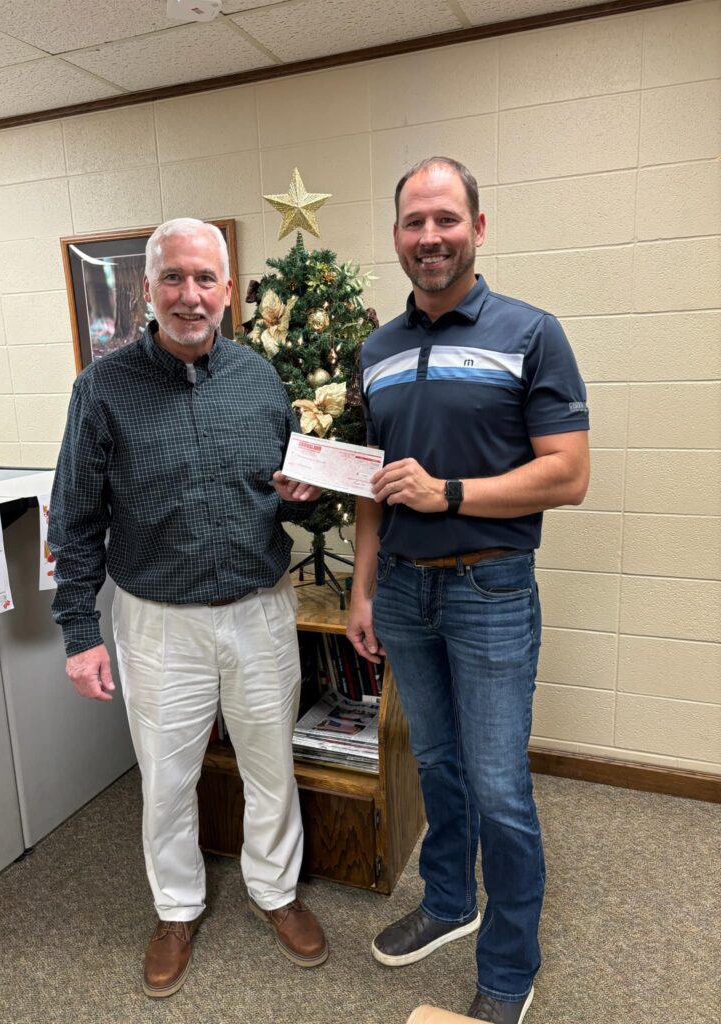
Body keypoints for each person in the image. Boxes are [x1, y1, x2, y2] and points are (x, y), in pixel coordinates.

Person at [49, 218, 328, 999]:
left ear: (228, 290)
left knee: (271, 765)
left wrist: (300, 495)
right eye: (173, 277)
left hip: (259, 610)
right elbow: (74, 517)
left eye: (205, 278)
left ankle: (276, 890)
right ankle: (176, 908)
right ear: (148, 288)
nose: (190, 295)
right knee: (168, 778)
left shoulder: (260, 380)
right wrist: (79, 631)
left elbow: (283, 492)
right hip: (157, 621)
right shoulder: (102, 389)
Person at [346, 158, 589, 1024]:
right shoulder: (375, 350)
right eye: (414, 222)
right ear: (397, 236)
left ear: (477, 228)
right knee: (438, 766)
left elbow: (568, 475)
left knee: (498, 786)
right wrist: (362, 591)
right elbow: (373, 485)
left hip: (491, 590)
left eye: (446, 219)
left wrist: (449, 493)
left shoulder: (532, 333)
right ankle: (450, 901)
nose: (430, 237)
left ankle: (510, 966)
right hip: (402, 592)